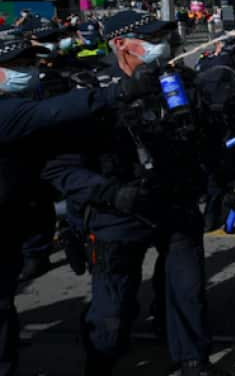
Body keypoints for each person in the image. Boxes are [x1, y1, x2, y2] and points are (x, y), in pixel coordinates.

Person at [44, 10, 233, 375]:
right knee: (112, 312)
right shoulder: (86, 91)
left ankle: (193, 359)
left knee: (187, 289)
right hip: (117, 209)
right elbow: (60, 168)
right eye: (148, 38)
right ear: (119, 44)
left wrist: (225, 177)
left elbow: (210, 138)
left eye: (162, 36)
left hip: (174, 201)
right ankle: (100, 360)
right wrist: (110, 193)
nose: (159, 46)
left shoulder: (181, 82)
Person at [0, 40, 143, 376]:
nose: (28, 72)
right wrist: (116, 92)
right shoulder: (9, 111)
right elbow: (49, 113)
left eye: (28, 64)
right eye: (16, 66)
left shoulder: (18, 99)